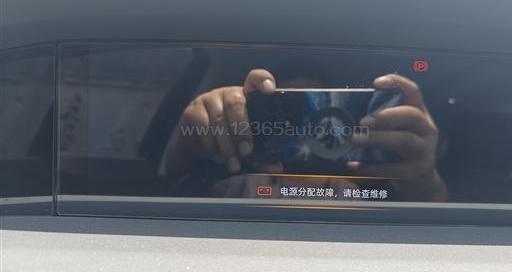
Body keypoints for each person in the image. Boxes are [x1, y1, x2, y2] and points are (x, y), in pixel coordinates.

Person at [166, 68, 447, 201]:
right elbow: (176, 195)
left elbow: (417, 224)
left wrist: (425, 184)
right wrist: (192, 146)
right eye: (282, 110)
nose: (302, 125)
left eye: (314, 107)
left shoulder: (359, 185)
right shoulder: (241, 180)